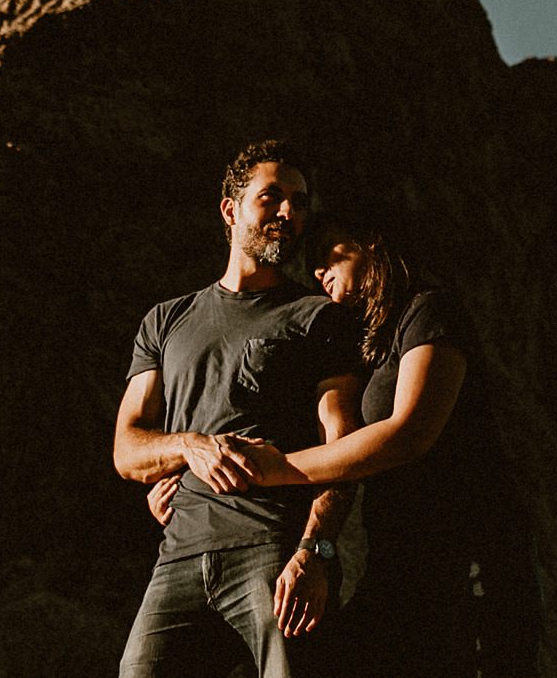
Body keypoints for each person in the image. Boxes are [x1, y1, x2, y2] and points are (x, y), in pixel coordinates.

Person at [152, 206, 534, 678]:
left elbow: (407, 434)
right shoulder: (372, 340)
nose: (317, 271)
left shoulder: (430, 310)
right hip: (400, 565)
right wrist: (190, 476)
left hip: (472, 564)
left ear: (371, 244)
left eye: (329, 255)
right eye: (313, 263)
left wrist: (278, 468)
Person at [112, 141, 365, 678]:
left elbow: (343, 449)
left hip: (272, 550)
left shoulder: (318, 317)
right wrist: (187, 446)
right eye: (271, 197)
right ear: (230, 210)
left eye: (298, 201)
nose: (288, 212)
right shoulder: (166, 320)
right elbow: (128, 448)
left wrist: (315, 553)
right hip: (177, 555)